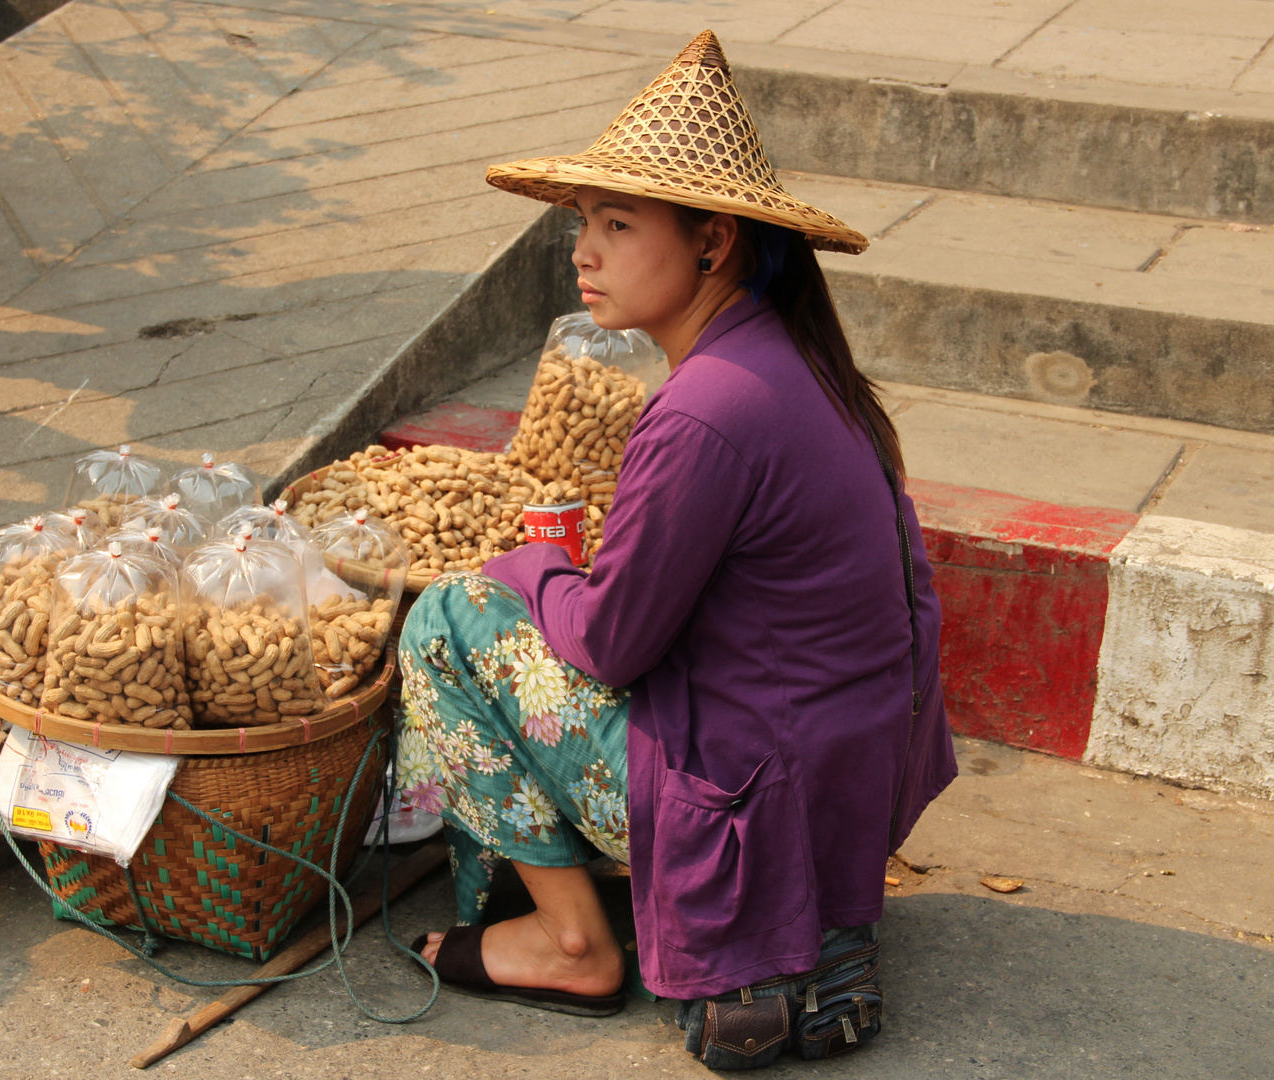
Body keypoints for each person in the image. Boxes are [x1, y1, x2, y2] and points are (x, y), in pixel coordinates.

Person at [394, 30, 956, 1068]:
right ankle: (811, 923)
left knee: (448, 617)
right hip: (841, 786)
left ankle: (568, 940)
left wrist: (532, 570)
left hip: (750, 794)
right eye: (581, 225)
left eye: (616, 223)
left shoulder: (705, 411)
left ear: (712, 241)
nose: (583, 252)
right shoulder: (801, 366)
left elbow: (610, 647)